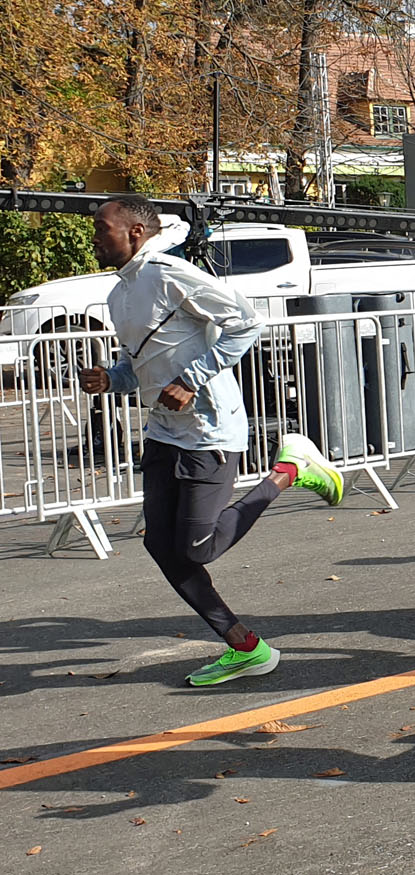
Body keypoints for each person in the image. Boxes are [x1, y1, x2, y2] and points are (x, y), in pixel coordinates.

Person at [77, 195, 344, 686]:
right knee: (162, 545)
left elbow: (245, 321)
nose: (95, 237)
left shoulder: (169, 274)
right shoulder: (118, 295)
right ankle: (245, 646)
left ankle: (289, 471)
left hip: (210, 431)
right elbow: (141, 366)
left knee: (198, 549)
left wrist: (193, 379)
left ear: (136, 231)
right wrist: (110, 379)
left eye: (102, 228)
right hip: (163, 433)